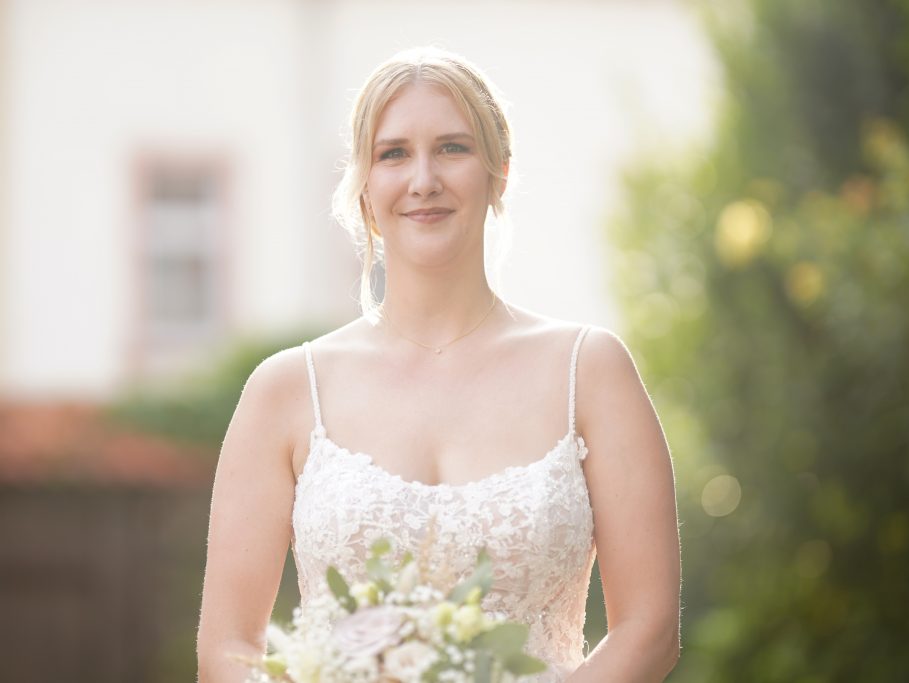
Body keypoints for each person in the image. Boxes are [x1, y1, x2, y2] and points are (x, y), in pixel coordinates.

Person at [197, 46, 680, 682]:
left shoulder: (589, 372)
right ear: (365, 187)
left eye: (452, 148)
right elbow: (228, 651)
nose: (423, 179)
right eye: (393, 153)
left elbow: (650, 631)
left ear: (499, 171)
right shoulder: (286, 391)